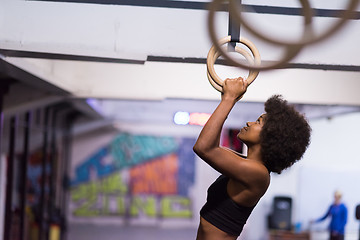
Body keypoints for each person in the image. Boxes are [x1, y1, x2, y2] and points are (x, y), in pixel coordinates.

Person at [193, 77, 311, 240]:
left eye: (258, 122)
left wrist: (229, 99)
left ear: (271, 136)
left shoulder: (258, 174)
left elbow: (204, 147)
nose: (249, 123)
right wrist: (227, 100)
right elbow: (211, 145)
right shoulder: (247, 164)